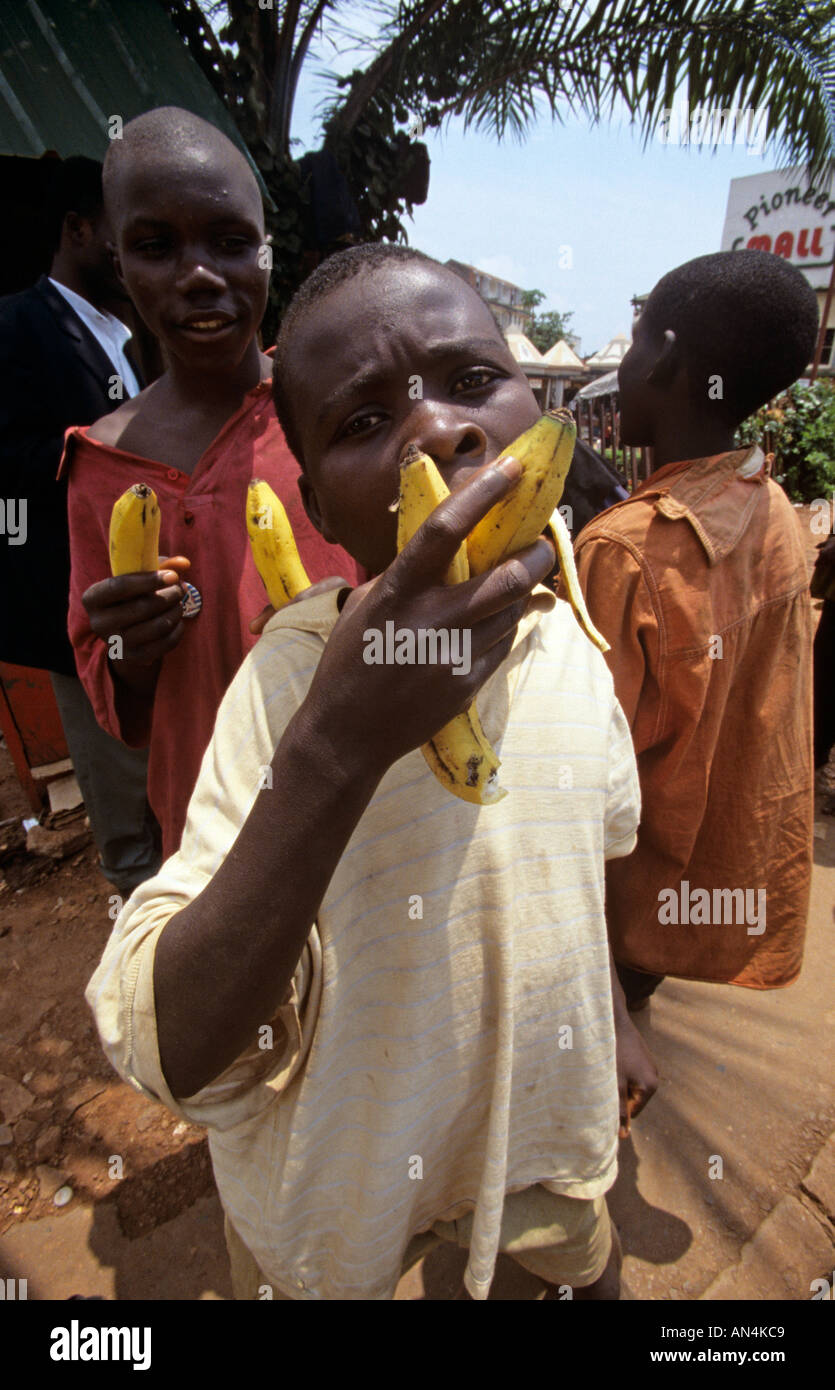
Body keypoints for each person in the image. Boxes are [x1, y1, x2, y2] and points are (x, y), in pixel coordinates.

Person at [87, 243, 656, 1302]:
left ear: (531, 407)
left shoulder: (572, 643)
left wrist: (613, 1014)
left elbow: (597, 853)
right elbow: (180, 1047)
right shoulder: (290, 684)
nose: (440, 427)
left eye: (473, 379)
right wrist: (339, 741)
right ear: (314, 501)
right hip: (341, 1184)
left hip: (536, 1128)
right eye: (362, 421)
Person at [62, 109, 360, 861]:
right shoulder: (101, 466)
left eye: (231, 243)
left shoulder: (337, 415)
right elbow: (116, 698)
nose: (198, 275)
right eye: (156, 247)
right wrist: (131, 647)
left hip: (363, 802)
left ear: (267, 252)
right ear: (120, 262)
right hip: (207, 833)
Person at [566, 250, 818, 1010]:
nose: (629, 357)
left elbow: (578, 776)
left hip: (609, 921)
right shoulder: (772, 510)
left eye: (638, 337)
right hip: (693, 896)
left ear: (666, 356)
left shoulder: (624, 551)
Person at [0, 156, 160, 896]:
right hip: (82, 615)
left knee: (167, 778)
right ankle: (144, 949)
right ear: (78, 229)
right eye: (123, 237)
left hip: (149, 605)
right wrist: (109, 434)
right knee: (124, 810)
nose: (135, 257)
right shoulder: (16, 324)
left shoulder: (126, 340)